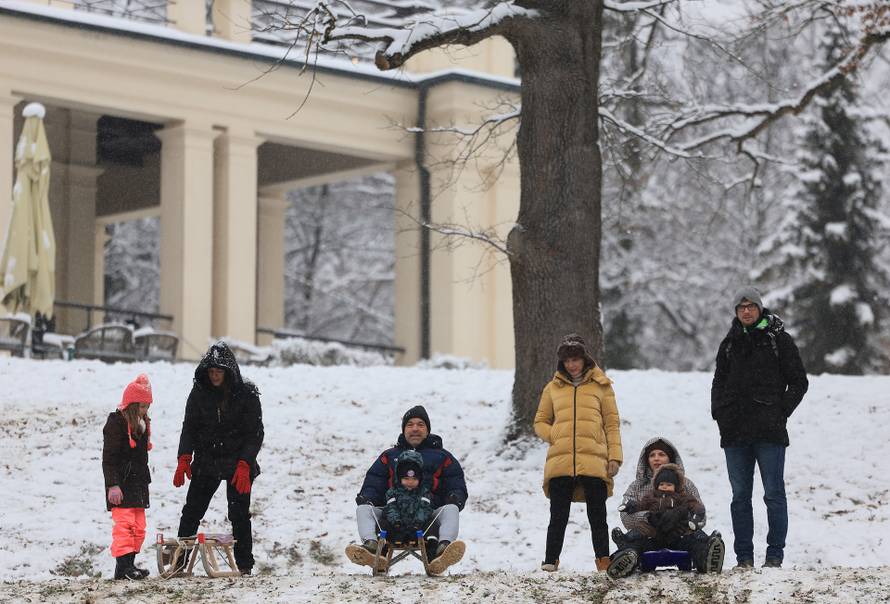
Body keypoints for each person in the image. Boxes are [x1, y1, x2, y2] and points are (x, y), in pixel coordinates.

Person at [711, 287, 808, 569]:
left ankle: (775, 555)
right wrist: (720, 413)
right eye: (741, 307)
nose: (746, 311)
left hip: (770, 433)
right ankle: (744, 558)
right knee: (740, 497)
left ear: (760, 308)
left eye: (751, 306)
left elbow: (799, 382)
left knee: (773, 494)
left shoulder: (779, 339)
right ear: (736, 311)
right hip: (735, 433)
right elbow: (718, 382)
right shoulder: (728, 344)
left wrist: (779, 413)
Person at [533, 333, 623, 573]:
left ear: (584, 359)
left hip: (594, 459)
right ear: (561, 363)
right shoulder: (552, 388)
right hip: (561, 461)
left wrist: (614, 457)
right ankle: (550, 560)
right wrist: (555, 436)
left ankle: (603, 560)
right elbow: (540, 421)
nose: (572, 364)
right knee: (558, 515)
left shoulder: (602, 386)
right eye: (567, 360)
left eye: (575, 359)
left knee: (597, 515)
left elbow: (612, 424)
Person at [173, 341, 264, 575]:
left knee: (239, 514)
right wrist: (184, 456)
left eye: (219, 372)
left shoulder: (247, 394)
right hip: (207, 460)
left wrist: (245, 463)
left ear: (228, 372)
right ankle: (179, 562)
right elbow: (189, 427)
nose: (214, 376)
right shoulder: (199, 393)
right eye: (211, 372)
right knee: (192, 510)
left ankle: (244, 565)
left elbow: (255, 433)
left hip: (238, 463)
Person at [345, 405, 468, 575]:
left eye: (420, 424)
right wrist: (367, 497)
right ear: (404, 430)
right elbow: (374, 484)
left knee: (451, 509)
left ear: (428, 429)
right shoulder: (388, 456)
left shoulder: (443, 457)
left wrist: (455, 497)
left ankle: (443, 550)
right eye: (410, 425)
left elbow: (456, 485)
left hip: (427, 520)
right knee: (364, 509)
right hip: (391, 519)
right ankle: (372, 548)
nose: (415, 429)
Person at [607, 463, 724, 577]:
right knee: (639, 535)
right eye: (661, 484)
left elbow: (697, 507)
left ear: (676, 486)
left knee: (694, 538)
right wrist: (630, 506)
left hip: (678, 534)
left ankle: (706, 556)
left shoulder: (683, 498)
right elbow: (640, 505)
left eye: (668, 484)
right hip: (654, 534)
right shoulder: (651, 497)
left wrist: (695, 519)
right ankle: (627, 556)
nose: (664, 487)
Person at [102, 373, 154, 580]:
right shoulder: (116, 424)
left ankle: (129, 565)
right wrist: (112, 484)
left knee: (138, 527)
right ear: (131, 405)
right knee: (124, 526)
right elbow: (109, 458)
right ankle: (123, 568)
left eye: (147, 406)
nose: (145, 411)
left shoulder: (141, 425)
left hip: (138, 483)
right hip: (122, 484)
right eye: (141, 406)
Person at [382, 450, 434, 543]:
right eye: (406, 478)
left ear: (420, 479)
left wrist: (418, 522)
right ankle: (379, 548)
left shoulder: (424, 492)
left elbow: (425, 508)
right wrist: (396, 522)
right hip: (397, 528)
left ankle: (434, 548)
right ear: (399, 478)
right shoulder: (392, 492)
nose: (410, 482)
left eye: (414, 479)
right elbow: (391, 507)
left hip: (419, 528)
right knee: (384, 523)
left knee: (432, 523)